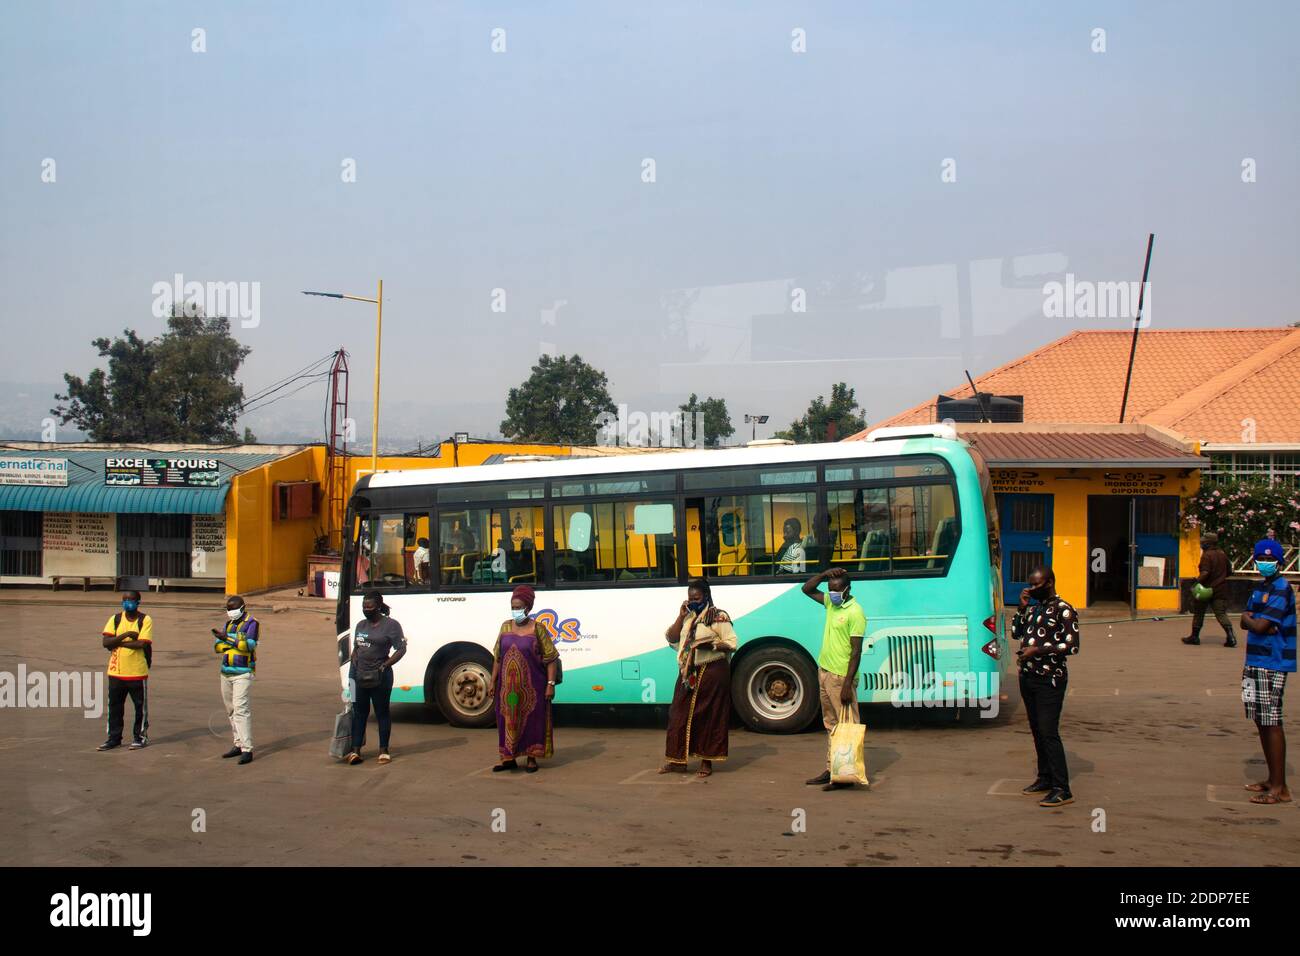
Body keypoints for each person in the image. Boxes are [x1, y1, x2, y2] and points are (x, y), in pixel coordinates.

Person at [1011, 566, 1080, 808]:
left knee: (1049, 731)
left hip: (1050, 678)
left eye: (1036, 585)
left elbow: (1071, 646)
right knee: (1037, 730)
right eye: (1029, 584)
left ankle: (1062, 788)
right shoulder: (1034, 608)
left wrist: (1038, 650)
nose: (1031, 589)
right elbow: (1015, 633)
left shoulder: (1064, 609)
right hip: (1028, 676)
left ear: (1049, 582)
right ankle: (1045, 778)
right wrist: (1021, 608)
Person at [660, 579, 738, 777]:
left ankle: (706, 763)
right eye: (690, 598)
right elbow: (672, 637)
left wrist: (710, 645)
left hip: (712, 670)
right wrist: (680, 616)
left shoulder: (718, 616)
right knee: (678, 713)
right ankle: (676, 760)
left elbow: (731, 643)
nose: (693, 601)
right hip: (689, 671)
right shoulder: (688, 617)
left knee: (709, 717)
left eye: (697, 598)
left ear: (706, 596)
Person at [1239, 538, 1295, 805]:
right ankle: (1272, 780)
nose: (1265, 563)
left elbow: (1259, 626)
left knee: (1272, 720)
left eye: (1271, 560)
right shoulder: (1260, 587)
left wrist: (1255, 622)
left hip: (1272, 662)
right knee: (1260, 718)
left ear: (1280, 562)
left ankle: (1280, 788)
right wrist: (1255, 621)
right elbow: (1246, 619)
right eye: (1261, 558)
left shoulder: (1282, 588)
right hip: (1254, 660)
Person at [802, 567, 866, 791]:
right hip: (825, 671)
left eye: (837, 590)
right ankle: (832, 769)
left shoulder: (855, 612)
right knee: (831, 724)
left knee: (847, 726)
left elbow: (856, 651)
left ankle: (845, 775)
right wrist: (824, 574)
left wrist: (847, 683)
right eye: (830, 590)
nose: (833, 594)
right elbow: (807, 589)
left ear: (847, 590)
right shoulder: (831, 603)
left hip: (841, 677)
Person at [488, 584, 558, 772]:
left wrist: (550, 685)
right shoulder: (505, 627)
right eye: (513, 606)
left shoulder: (538, 629)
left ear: (527, 608)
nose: (515, 610)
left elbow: (551, 659)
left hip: (533, 687)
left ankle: (531, 759)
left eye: (518, 607)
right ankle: (508, 758)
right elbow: (497, 657)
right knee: (507, 721)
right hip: (507, 688)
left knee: (532, 721)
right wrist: (492, 681)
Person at [344, 590, 406, 765]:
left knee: (382, 713)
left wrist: (385, 665)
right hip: (358, 676)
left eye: (369, 606)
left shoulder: (391, 625)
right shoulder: (360, 625)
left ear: (378, 607)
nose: (366, 609)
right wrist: (352, 672)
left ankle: (383, 750)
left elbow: (401, 649)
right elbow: (356, 648)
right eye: (364, 606)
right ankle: (355, 751)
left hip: (381, 677)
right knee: (359, 713)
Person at [97, 590, 153, 751]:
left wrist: (116, 642)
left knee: (140, 707)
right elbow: (105, 642)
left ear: (138, 602)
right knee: (114, 707)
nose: (127, 602)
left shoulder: (145, 620)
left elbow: (142, 644)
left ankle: (140, 737)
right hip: (116, 672)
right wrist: (126, 635)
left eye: (131, 599)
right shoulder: (115, 619)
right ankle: (114, 738)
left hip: (137, 672)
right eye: (125, 599)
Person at [212, 594, 258, 765]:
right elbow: (217, 647)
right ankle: (238, 743)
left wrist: (227, 639)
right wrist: (234, 641)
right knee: (231, 710)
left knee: (241, 708)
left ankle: (247, 749)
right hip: (226, 673)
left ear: (242, 608)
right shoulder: (228, 624)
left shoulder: (252, 623)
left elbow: (249, 645)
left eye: (233, 609)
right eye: (228, 609)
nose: (230, 612)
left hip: (243, 673)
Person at [1183, 532, 1235, 647]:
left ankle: (1194, 637)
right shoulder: (1222, 554)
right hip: (1221, 589)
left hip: (1205, 589)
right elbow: (1230, 571)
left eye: (1203, 542)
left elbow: (1205, 572)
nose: (1202, 543)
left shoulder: (1207, 555)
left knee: (1199, 612)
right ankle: (1231, 637)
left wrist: (1196, 582)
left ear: (1208, 543)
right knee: (1220, 613)